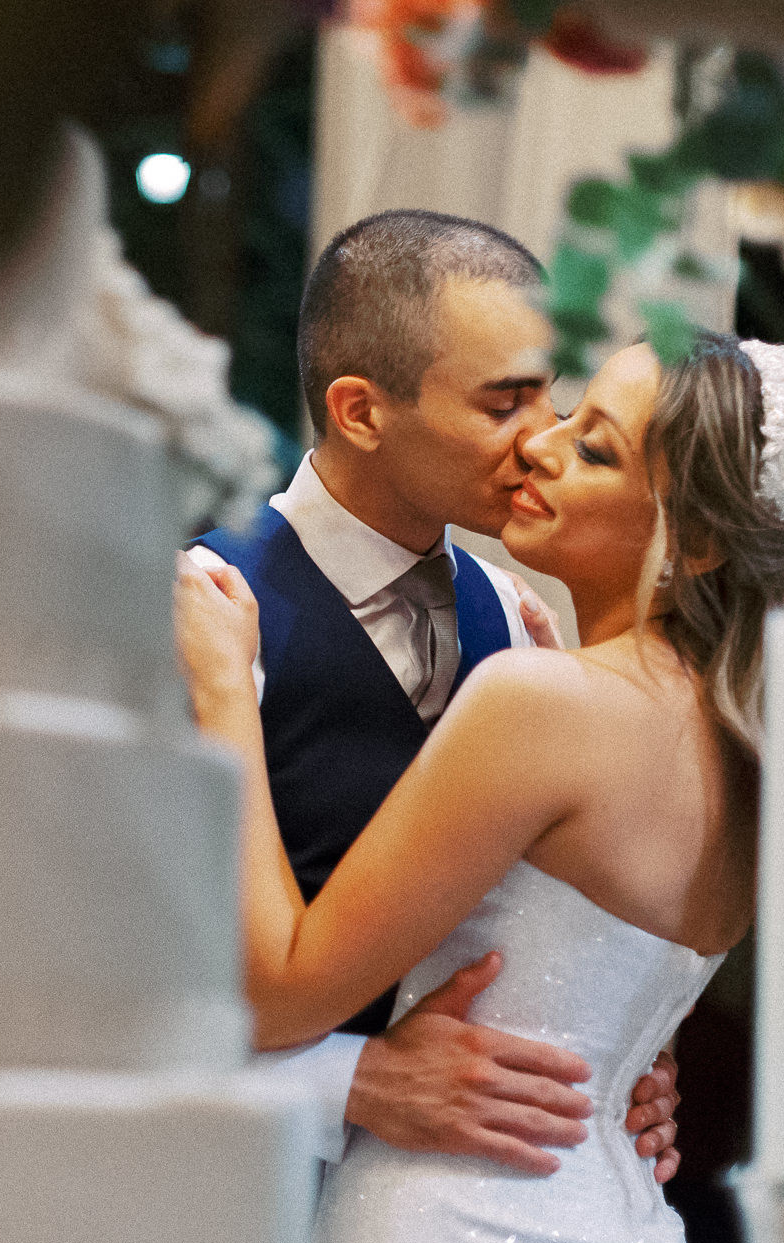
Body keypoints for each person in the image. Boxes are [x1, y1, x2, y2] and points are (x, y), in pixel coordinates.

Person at [176, 331, 784, 1243]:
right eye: (567, 414)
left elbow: (275, 992)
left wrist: (225, 689)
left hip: (450, 1229)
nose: (539, 447)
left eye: (594, 448)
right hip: (627, 1224)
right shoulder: (751, 752)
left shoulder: (543, 703)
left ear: (702, 544)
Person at [191, 210, 681, 1177]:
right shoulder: (203, 610)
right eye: (504, 406)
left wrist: (609, 1053)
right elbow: (70, 991)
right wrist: (352, 1081)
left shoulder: (514, 614)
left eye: (551, 399)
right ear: (361, 412)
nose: (543, 444)